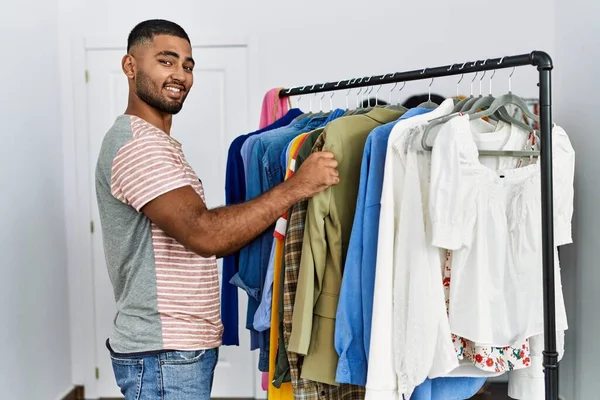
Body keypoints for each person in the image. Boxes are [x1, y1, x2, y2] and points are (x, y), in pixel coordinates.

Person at [94, 19, 339, 400]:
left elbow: (207, 231)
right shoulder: (138, 146)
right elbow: (205, 234)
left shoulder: (156, 143)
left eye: (188, 66)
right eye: (166, 61)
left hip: (175, 351)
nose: (180, 75)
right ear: (130, 66)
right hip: (164, 354)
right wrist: (297, 186)